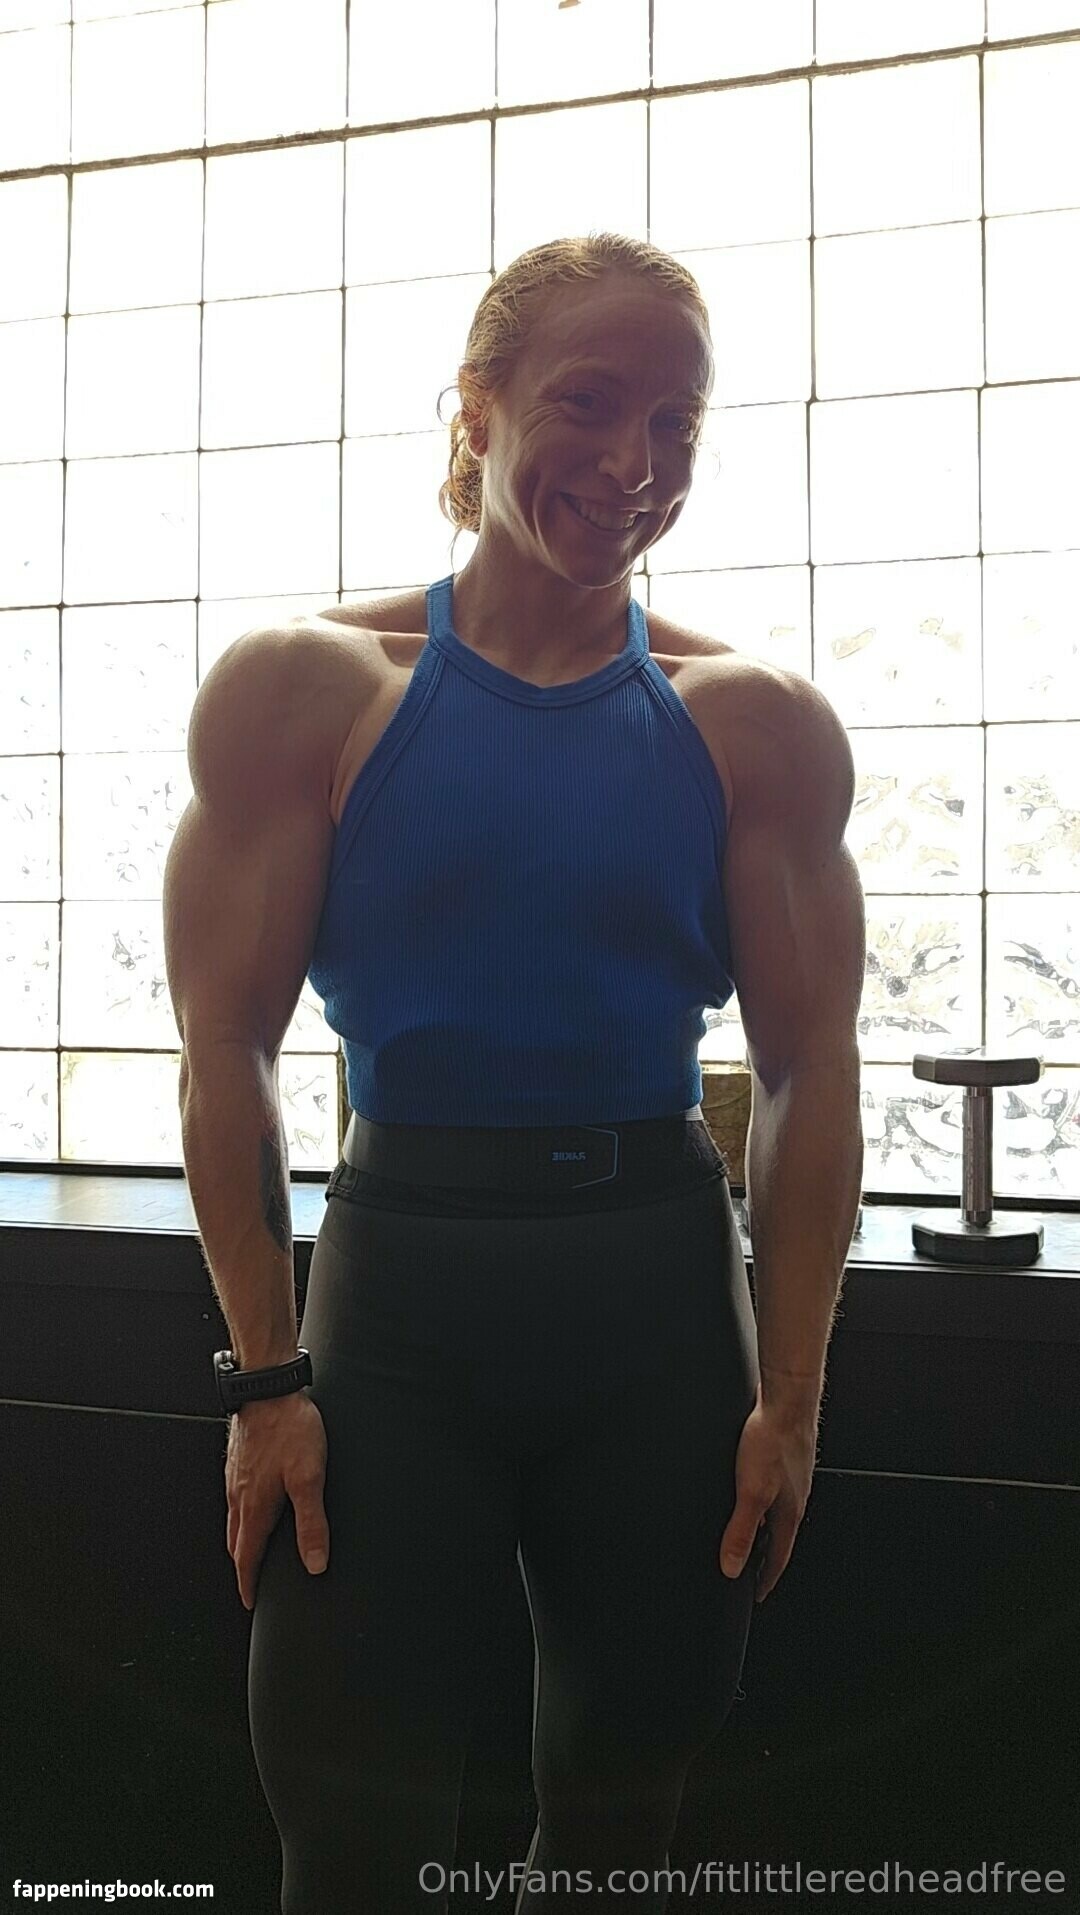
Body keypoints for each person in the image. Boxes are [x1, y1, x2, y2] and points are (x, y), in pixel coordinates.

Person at [164, 233, 865, 1913]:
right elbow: (224, 1050)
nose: (634, 464)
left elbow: (810, 1074)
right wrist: (265, 1384)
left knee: (622, 1832)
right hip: (398, 1298)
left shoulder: (752, 726)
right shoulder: (303, 693)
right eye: (590, 403)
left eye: (677, 425)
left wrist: (790, 1404)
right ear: (474, 411)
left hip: (654, 1304)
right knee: (348, 1833)